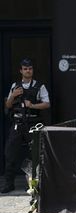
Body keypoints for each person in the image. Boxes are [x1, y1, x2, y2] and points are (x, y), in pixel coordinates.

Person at [1, 58, 50, 193]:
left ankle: (35, 184)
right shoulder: (15, 86)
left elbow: (47, 104)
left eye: (30, 69)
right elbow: (8, 105)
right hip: (18, 123)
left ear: (32, 70)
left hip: (33, 123)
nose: (28, 71)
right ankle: (8, 183)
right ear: (21, 71)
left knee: (35, 153)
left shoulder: (39, 86)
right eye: (25, 69)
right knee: (10, 152)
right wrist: (13, 96)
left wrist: (32, 105)